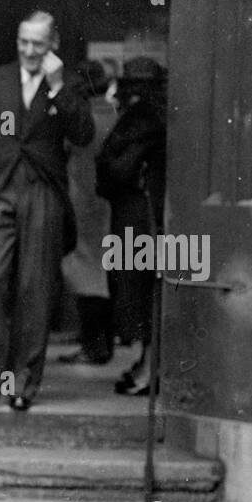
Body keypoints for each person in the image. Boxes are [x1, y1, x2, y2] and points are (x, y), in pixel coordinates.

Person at [0, 10, 95, 413]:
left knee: (35, 289)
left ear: (52, 44)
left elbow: (83, 134)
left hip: (43, 192)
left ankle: (22, 383)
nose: (29, 51)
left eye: (38, 43)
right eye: (23, 42)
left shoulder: (67, 83)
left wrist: (56, 87)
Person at [96, 56, 167, 394]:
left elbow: (114, 168)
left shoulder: (139, 119)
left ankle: (149, 366)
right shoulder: (159, 115)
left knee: (140, 290)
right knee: (145, 289)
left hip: (140, 214)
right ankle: (147, 362)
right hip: (147, 211)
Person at [58, 58, 117, 366]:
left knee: (84, 270)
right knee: (103, 270)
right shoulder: (115, 114)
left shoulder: (82, 119)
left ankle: (93, 345)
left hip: (81, 200)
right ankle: (101, 340)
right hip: (107, 202)